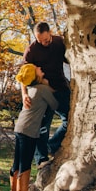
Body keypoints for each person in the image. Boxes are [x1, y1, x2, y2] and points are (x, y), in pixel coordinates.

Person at [11, 63, 58, 191]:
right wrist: (48, 86)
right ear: (35, 75)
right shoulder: (42, 89)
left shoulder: (30, 90)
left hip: (19, 127)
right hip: (29, 131)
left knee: (16, 165)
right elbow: (55, 104)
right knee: (24, 166)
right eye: (37, 69)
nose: (40, 68)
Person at [22, 22, 70, 166]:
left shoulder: (59, 42)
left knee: (70, 119)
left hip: (61, 87)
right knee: (42, 126)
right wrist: (24, 95)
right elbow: (23, 76)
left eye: (46, 40)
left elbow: (70, 59)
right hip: (42, 91)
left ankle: (52, 145)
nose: (44, 42)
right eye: (39, 40)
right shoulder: (31, 51)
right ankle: (41, 158)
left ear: (50, 33)